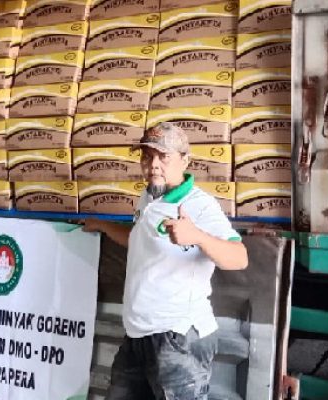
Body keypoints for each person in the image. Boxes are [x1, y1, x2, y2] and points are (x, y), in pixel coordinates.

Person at [83, 122, 249, 399]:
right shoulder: (149, 197)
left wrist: (197, 236)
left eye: (164, 157)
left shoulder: (199, 204)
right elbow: (141, 240)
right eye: (147, 156)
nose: (154, 165)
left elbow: (239, 258)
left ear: (185, 160)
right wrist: (103, 225)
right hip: (139, 334)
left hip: (178, 337)